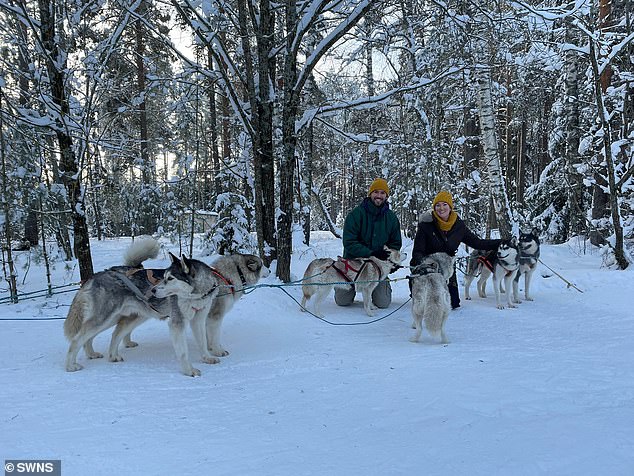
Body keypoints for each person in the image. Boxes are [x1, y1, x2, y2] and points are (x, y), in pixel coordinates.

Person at [410, 190, 501, 309]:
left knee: (452, 303)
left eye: (444, 205)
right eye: (438, 205)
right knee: (429, 303)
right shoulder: (426, 225)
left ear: (450, 207)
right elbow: (417, 252)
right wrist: (426, 266)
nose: (441, 208)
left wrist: (500, 242)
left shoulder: (458, 226)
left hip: (446, 268)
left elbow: (477, 243)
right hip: (426, 267)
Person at [335, 178, 403, 309]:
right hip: (354, 265)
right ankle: (347, 288)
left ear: (386, 196)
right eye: (376, 192)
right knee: (342, 301)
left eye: (383, 193)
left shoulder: (392, 218)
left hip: (378, 267)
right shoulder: (355, 215)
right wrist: (371, 253)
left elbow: (395, 243)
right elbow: (349, 242)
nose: (379, 195)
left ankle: (382, 287)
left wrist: (391, 260)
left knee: (383, 303)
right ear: (370, 193)